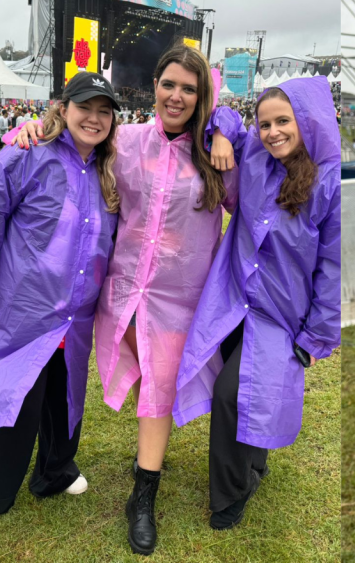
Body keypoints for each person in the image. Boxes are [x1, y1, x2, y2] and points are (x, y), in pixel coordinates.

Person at [7, 44, 238, 556]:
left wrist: (226, 126)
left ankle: (143, 496)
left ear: (203, 98)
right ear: (154, 86)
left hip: (177, 300)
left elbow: (254, 200)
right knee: (136, 385)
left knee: (158, 392)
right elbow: (70, 145)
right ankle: (124, 455)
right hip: (122, 293)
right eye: (169, 84)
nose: (177, 96)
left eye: (190, 89)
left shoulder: (218, 155)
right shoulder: (125, 140)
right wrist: (23, 130)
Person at [174, 76, 341, 530]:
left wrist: (315, 336)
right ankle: (255, 464)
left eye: (283, 121)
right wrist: (227, 132)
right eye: (265, 124)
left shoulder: (328, 185)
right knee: (246, 388)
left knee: (234, 394)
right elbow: (217, 116)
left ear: (306, 123)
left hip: (278, 316)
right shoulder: (255, 158)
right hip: (231, 299)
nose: (272, 133)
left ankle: (229, 494)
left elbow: (333, 267)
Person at [0, 73, 120, 516]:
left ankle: (55, 470)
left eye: (104, 111)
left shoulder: (111, 172)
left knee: (63, 398)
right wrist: (20, 131)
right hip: (26, 312)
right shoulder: (27, 155)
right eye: (85, 107)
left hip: (77, 316)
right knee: (18, 403)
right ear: (62, 108)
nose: (94, 118)